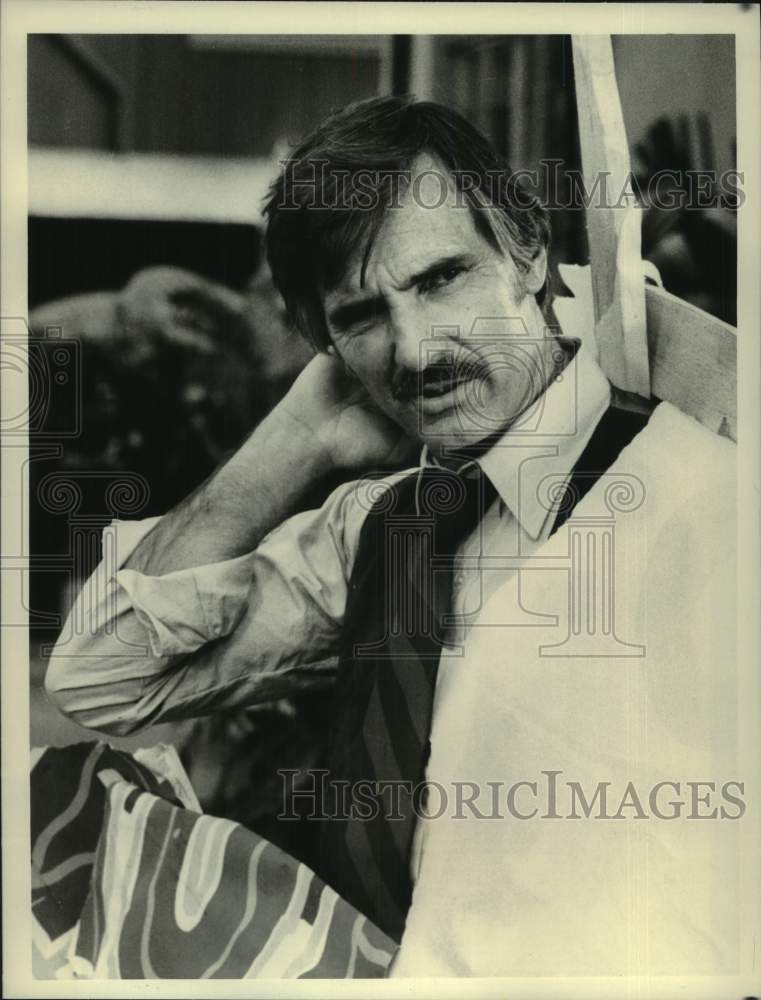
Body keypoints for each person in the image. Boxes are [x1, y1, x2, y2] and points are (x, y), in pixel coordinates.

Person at [45, 96, 651, 946]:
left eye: (441, 279)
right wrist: (296, 438)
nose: (411, 350)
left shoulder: (665, 481)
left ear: (526, 254)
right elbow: (98, 678)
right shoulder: (380, 527)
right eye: (360, 316)